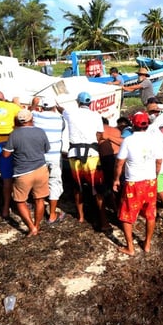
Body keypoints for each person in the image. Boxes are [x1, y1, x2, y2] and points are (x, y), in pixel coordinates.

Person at [113, 110, 163, 255]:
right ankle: (147, 244)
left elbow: (119, 163)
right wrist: (155, 176)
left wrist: (116, 179)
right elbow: (159, 161)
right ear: (147, 125)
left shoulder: (128, 140)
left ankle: (130, 247)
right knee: (150, 213)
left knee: (126, 215)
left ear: (132, 125)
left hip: (133, 182)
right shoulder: (154, 139)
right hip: (150, 181)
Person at [63, 91, 109, 231]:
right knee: (97, 189)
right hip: (92, 156)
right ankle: (103, 221)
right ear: (90, 103)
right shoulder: (96, 115)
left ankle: (81, 216)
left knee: (78, 188)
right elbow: (100, 135)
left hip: (74, 155)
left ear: (78, 102)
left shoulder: (69, 113)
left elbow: (62, 110)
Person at [2, 109, 50, 236]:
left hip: (22, 173)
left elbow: (6, 154)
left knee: (20, 201)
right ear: (31, 119)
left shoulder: (14, 134)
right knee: (40, 199)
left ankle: (31, 227)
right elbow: (46, 149)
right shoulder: (40, 131)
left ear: (19, 121)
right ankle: (37, 225)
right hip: (41, 169)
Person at [31, 98, 69, 223]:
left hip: (39, 156)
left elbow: (29, 112)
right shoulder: (60, 119)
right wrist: (60, 109)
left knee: (38, 183)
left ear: (41, 107)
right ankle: (52, 215)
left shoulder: (35, 116)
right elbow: (65, 117)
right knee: (54, 182)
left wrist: (34, 104)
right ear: (54, 108)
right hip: (54, 156)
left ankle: (37, 208)